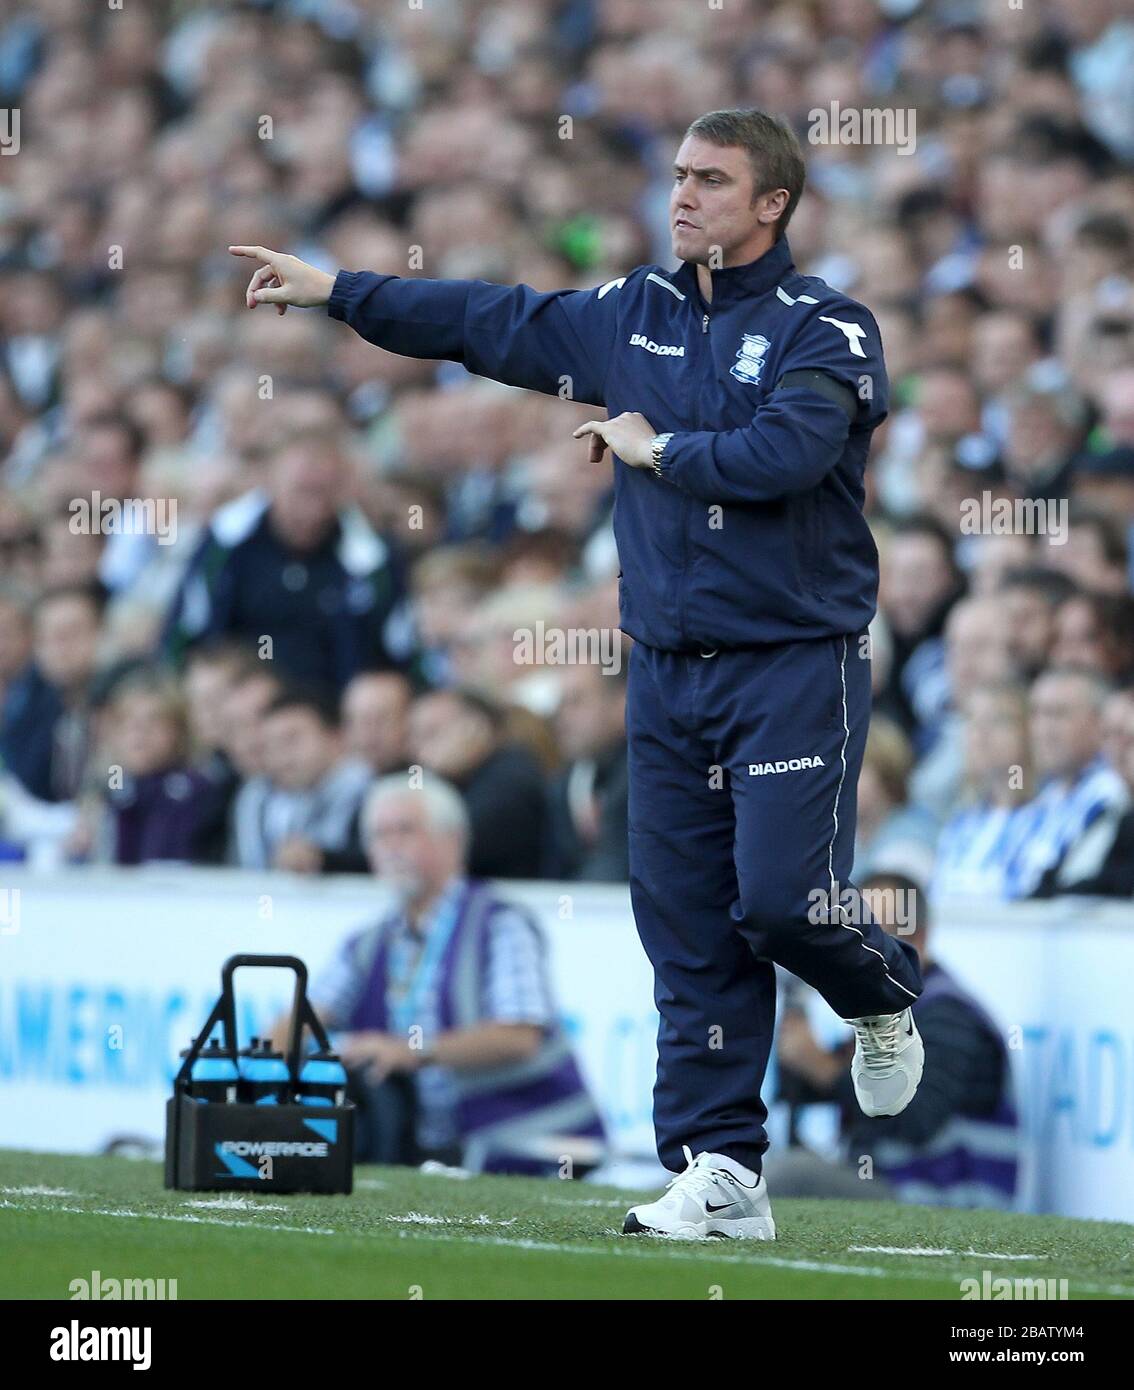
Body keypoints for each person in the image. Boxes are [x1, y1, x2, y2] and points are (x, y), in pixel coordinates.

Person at [231, 105, 925, 1240]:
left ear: (773, 204)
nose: (684, 193)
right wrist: (340, 289)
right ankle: (722, 1170)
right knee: (686, 923)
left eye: (712, 178)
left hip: (794, 664)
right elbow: (487, 320)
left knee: (784, 903)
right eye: (680, 172)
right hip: (663, 672)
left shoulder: (828, 328)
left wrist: (664, 449)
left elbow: (790, 456)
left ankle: (881, 995)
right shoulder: (630, 313)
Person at [301, 776, 605, 1174]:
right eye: (378, 835)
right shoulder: (369, 941)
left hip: (540, 1144)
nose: (390, 846)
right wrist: (264, 1060)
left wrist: (408, 1052)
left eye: (405, 830)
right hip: (447, 1151)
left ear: (454, 840)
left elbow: (519, 1037)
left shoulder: (500, 923)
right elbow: (305, 1020)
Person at [772, 874, 1019, 1210]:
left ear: (919, 937)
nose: (859, 951)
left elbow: (915, 1118)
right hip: (895, 1183)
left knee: (793, 1175)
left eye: (875, 936)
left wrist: (822, 1068)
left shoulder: (947, 1014)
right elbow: (818, 1092)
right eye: (853, 936)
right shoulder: (884, 1004)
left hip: (947, 1197)